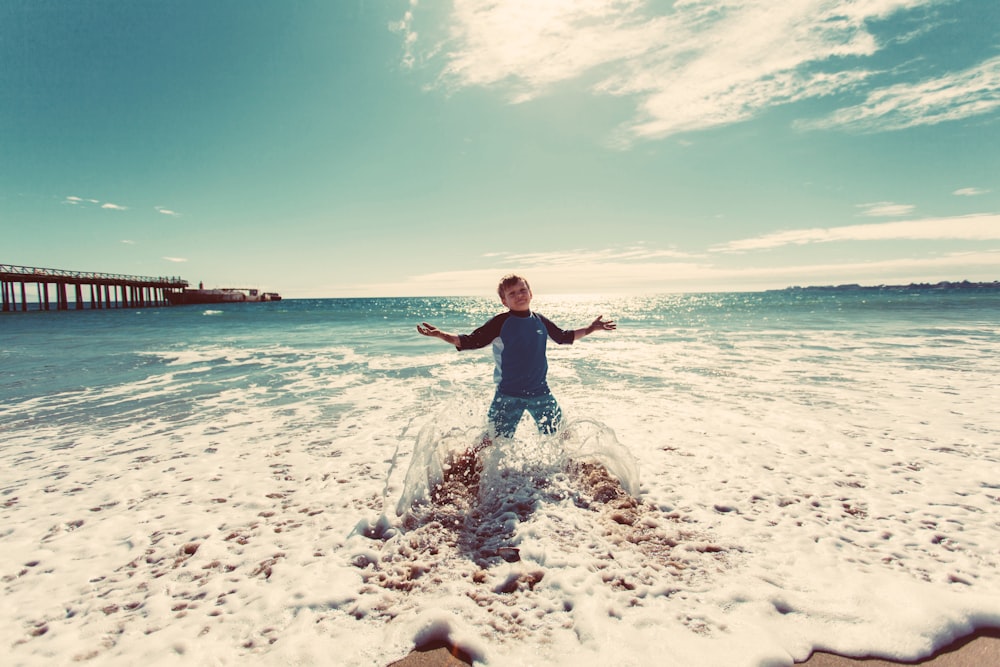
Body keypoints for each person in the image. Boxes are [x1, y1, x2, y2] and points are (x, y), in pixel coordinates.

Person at [417, 274, 616, 445]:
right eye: (512, 293)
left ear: (531, 293)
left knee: (560, 436)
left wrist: (591, 328)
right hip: (509, 395)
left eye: (522, 290)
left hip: (541, 393)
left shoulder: (540, 320)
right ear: (504, 301)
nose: (519, 295)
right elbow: (471, 341)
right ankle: (469, 465)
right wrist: (442, 335)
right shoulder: (500, 322)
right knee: (495, 442)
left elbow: (564, 336)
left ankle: (563, 472)